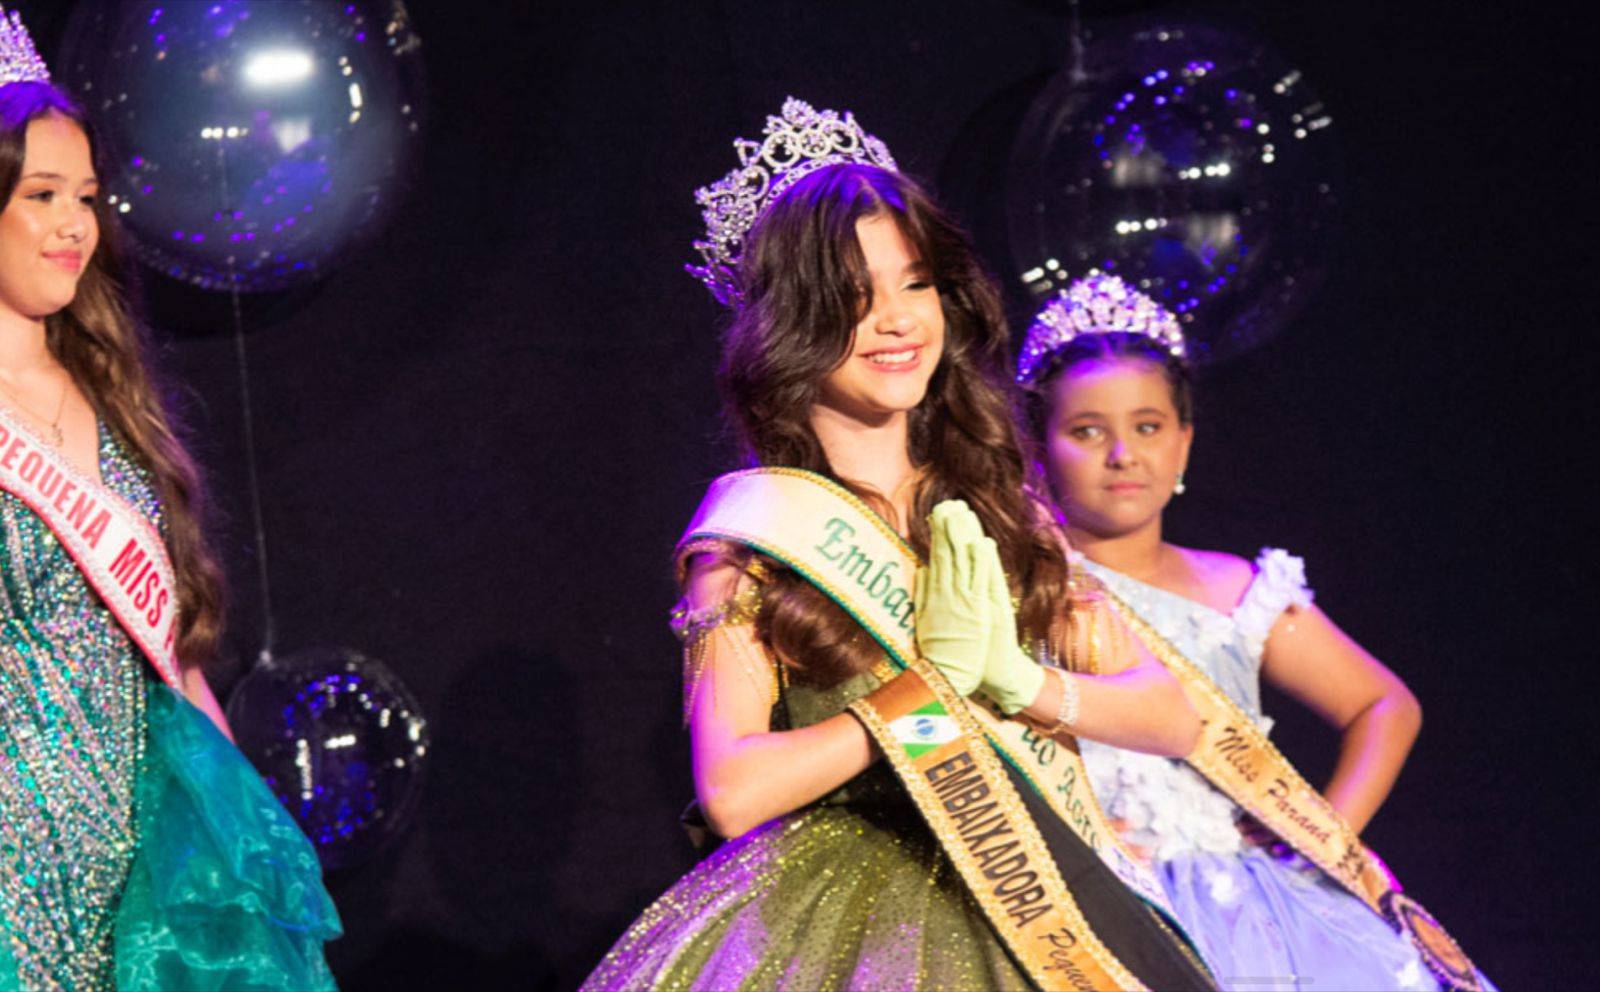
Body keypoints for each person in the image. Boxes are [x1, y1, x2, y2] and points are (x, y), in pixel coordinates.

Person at [584, 98, 1216, 991]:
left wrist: (1020, 682)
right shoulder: (753, 542)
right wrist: (931, 699)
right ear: (789, 324)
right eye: (853, 296)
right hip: (850, 923)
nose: (897, 319)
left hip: (1045, 899)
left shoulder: (1002, 504)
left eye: (914, 283)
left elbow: (1172, 714)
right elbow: (732, 792)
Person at [1015, 272, 1494, 991]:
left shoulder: (1234, 587)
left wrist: (1323, 835)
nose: (1123, 454)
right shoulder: (1022, 584)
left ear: (1183, 443)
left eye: (1147, 428)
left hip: (1255, 907)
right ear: (1039, 444)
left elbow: (1385, 706)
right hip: (1093, 890)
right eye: (1088, 431)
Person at [0, 8, 339, 989]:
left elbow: (170, 654)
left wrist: (242, 825)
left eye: (89, 198)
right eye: (42, 193)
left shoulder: (111, 394)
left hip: (138, 846)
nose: (75, 224)